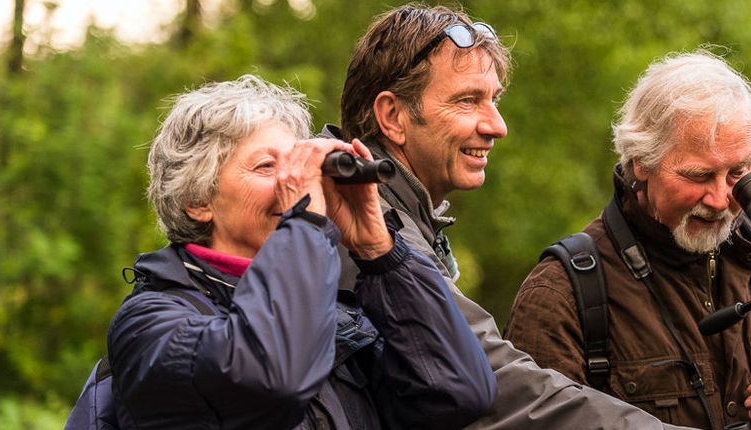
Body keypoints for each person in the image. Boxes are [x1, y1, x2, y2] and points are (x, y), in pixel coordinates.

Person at [320, 4, 693, 429]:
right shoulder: (355, 218)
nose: (497, 125)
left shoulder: (389, 209)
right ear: (393, 116)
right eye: (467, 101)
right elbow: (496, 382)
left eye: (493, 100)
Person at [100, 75, 495, 429]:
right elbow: (273, 378)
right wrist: (305, 221)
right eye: (267, 166)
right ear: (198, 200)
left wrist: (380, 253)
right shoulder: (151, 323)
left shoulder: (335, 313)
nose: (295, 181)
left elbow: (458, 394)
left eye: (296, 165)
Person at [504, 51, 751, 430]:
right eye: (699, 176)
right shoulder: (562, 292)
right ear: (641, 162)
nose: (721, 200)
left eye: (738, 172)